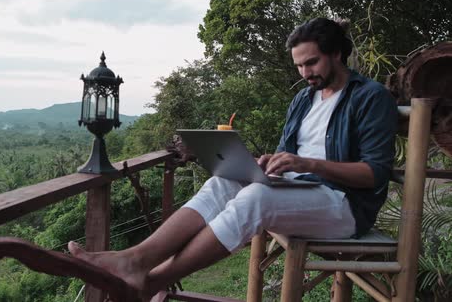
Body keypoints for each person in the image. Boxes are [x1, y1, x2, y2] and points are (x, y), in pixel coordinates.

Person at [68, 17, 398, 298]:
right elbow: (287, 153)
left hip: (344, 206)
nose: (305, 72)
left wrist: (305, 164)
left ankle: (152, 283)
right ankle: (136, 260)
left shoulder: (370, 97)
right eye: (299, 65)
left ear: (336, 53)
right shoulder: (303, 99)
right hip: (299, 191)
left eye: (312, 62)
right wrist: (261, 163)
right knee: (222, 182)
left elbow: (374, 174)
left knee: (256, 197)